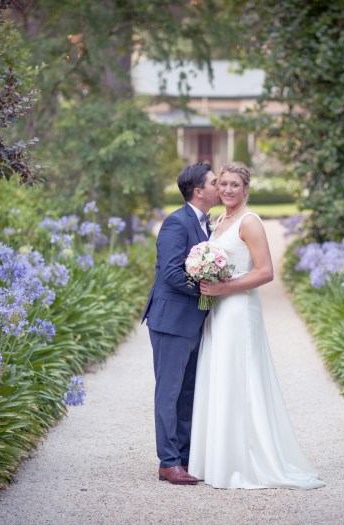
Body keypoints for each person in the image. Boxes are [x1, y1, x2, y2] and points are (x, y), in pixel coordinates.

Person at [188, 161, 324, 489]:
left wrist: (223, 288)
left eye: (235, 185)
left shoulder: (249, 222)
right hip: (218, 311)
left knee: (239, 378)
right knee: (221, 376)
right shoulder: (220, 221)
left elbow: (265, 272)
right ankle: (218, 458)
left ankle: (244, 461)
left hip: (238, 309)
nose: (227, 189)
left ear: (246, 189)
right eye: (223, 183)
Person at [142, 162, 221, 485]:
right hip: (171, 321)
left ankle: (185, 457)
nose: (220, 187)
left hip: (193, 321)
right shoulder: (176, 222)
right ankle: (168, 462)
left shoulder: (206, 224)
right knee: (170, 392)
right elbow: (171, 272)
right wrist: (206, 289)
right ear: (198, 191)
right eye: (214, 183)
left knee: (188, 393)